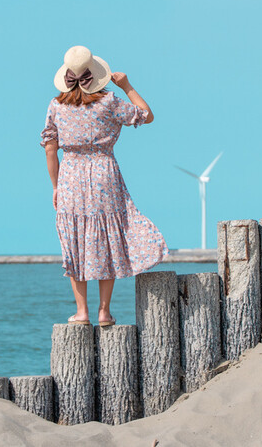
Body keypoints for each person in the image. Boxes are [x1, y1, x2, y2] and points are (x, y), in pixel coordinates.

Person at [40, 45, 169, 327]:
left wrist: (55, 186)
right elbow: (147, 115)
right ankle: (104, 311)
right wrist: (126, 85)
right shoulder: (110, 101)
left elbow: (50, 149)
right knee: (105, 239)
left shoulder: (55, 105)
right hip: (103, 172)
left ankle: (82, 311)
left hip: (70, 176)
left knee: (75, 240)